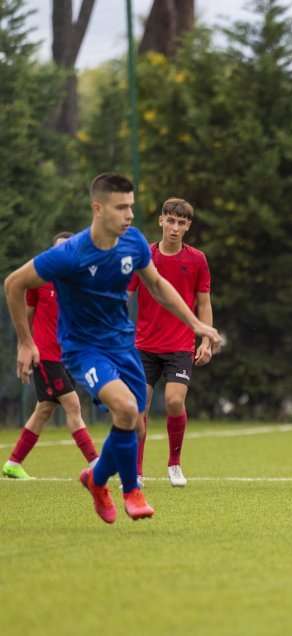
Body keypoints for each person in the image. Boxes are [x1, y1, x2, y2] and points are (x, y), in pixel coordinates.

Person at [4, 173, 222, 524]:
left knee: (134, 423)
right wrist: (25, 342)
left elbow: (157, 284)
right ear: (98, 208)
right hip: (84, 349)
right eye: (122, 208)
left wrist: (196, 324)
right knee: (125, 408)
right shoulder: (70, 253)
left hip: (122, 345)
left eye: (132, 207)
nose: (130, 215)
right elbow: (14, 283)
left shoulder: (133, 242)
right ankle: (131, 488)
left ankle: (96, 478)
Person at [127, 198, 213, 488]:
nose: (175, 228)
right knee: (140, 407)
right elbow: (125, 296)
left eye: (181, 223)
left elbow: (203, 301)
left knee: (175, 401)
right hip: (143, 347)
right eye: (170, 221)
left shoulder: (197, 260)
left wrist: (206, 339)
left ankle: (174, 463)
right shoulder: (144, 257)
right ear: (161, 221)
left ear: (188, 226)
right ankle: (136, 471)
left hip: (179, 345)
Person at [2, 232, 99, 479]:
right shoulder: (39, 281)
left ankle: (13, 463)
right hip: (45, 355)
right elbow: (27, 316)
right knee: (73, 404)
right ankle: (97, 462)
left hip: (67, 356)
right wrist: (24, 347)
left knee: (44, 409)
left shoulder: (80, 284)